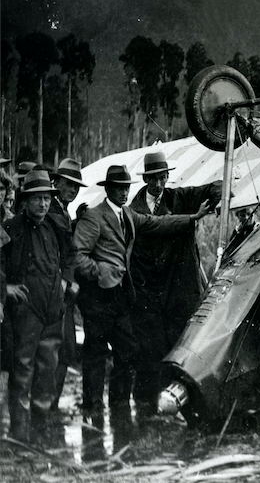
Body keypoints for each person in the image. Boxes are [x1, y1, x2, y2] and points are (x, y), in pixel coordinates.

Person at [72, 165, 211, 421]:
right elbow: (77, 255)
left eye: (126, 188)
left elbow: (157, 222)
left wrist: (192, 218)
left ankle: (119, 407)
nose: (124, 193)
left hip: (119, 297)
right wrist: (100, 271)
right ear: (109, 189)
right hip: (97, 298)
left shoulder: (127, 214)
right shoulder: (94, 216)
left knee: (128, 351)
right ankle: (92, 410)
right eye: (118, 188)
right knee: (95, 354)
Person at [123, 150, 222, 417]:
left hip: (179, 288)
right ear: (146, 179)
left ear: (168, 176)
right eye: (153, 179)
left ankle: (186, 407)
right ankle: (148, 411)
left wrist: (217, 201)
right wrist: (195, 217)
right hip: (149, 292)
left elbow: (217, 186)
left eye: (162, 177)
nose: (158, 184)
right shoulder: (134, 210)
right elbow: (155, 227)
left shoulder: (180, 197)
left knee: (183, 347)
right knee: (151, 353)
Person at [1, 169, 76, 443]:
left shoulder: (56, 226)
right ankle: (20, 435)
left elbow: (70, 254)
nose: (43, 204)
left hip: (52, 309)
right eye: (37, 199)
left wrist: (67, 280)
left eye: (47, 199)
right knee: (23, 370)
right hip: (25, 310)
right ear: (26, 200)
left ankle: (40, 430)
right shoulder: (11, 228)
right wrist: (5, 288)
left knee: (48, 369)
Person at [48, 158, 86, 411]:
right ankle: (47, 406)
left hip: (63, 294)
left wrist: (75, 221)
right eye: (68, 184)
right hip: (53, 292)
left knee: (64, 350)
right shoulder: (48, 208)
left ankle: (50, 404)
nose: (73, 190)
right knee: (57, 350)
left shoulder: (62, 209)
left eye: (76, 186)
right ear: (56, 183)